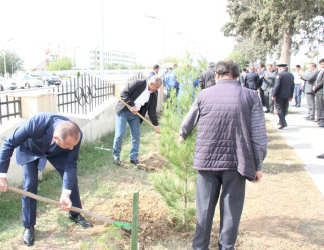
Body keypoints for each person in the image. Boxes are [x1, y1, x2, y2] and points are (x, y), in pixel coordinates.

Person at [179, 60, 267, 250]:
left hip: (206, 163)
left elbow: (189, 119)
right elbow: (258, 134)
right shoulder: (251, 96)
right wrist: (258, 165)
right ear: (237, 76)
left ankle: (200, 247)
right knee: (231, 212)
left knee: (204, 211)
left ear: (217, 76)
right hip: (236, 163)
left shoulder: (204, 94)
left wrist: (182, 134)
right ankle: (226, 247)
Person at [0, 113, 93, 246]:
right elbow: (9, 143)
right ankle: (29, 226)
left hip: (56, 152)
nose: (72, 148)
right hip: (30, 148)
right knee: (30, 183)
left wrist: (66, 194)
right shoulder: (37, 123)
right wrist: (1, 175)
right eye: (69, 146)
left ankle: (75, 213)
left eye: (73, 146)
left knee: (70, 177)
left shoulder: (75, 135)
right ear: (56, 138)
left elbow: (71, 164)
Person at [113, 75, 161, 166]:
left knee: (136, 135)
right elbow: (123, 94)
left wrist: (156, 124)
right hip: (123, 111)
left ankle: (133, 157)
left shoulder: (153, 94)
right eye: (157, 87)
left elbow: (152, 110)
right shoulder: (139, 83)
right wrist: (132, 105)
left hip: (135, 115)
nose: (157, 89)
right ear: (151, 84)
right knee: (119, 134)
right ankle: (116, 156)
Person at [272, 64, 295, 129]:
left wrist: (273, 94)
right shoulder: (291, 75)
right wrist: (291, 95)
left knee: (279, 109)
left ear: (280, 68)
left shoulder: (279, 75)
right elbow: (292, 86)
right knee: (284, 109)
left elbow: (277, 86)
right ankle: (281, 121)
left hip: (280, 95)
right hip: (287, 95)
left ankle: (283, 122)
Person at [313, 58, 324, 127]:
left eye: (322, 64)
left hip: (321, 91)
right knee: (318, 106)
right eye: (320, 64)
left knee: (322, 106)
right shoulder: (320, 71)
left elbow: (322, 82)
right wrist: (314, 86)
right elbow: (317, 80)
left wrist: (316, 87)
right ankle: (319, 119)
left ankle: (322, 120)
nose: (320, 65)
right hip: (318, 91)